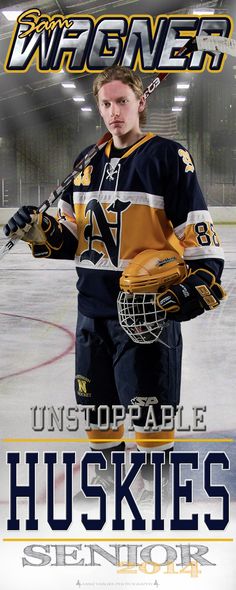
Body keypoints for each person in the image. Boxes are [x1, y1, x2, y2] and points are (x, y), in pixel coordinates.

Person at [4, 65, 225, 506]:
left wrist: (196, 284)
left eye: (122, 101)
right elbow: (73, 239)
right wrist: (40, 232)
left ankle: (155, 496)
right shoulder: (87, 161)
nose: (113, 112)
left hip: (145, 315)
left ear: (141, 102)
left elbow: (200, 240)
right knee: (97, 414)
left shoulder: (167, 157)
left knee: (150, 416)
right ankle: (108, 489)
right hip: (92, 313)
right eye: (106, 103)